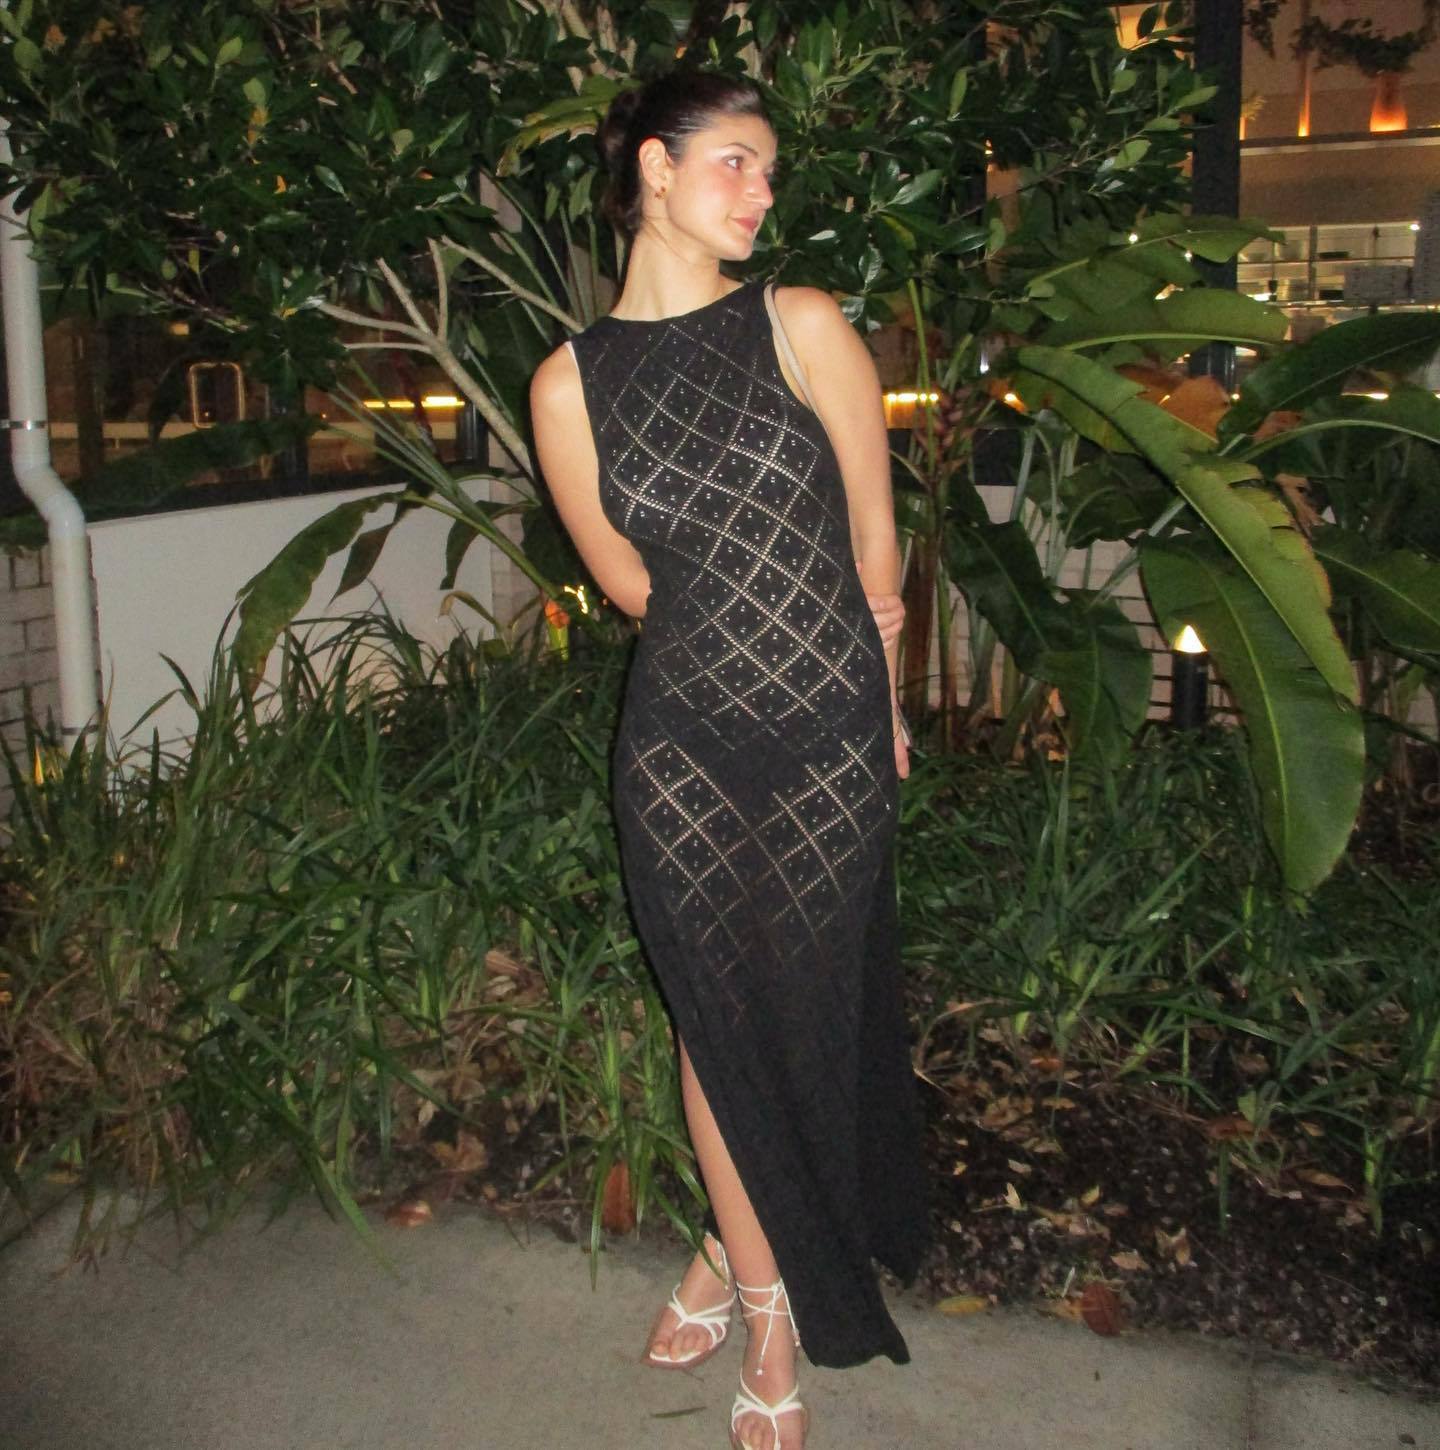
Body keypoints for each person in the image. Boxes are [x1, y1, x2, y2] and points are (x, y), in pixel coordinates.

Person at [529, 68, 930, 1450]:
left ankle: (722, 1240)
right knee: (719, 1015)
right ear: (655, 167)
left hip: (827, 734)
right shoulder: (569, 385)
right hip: (684, 746)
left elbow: (875, 545)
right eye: (736, 162)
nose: (762, 191)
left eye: (768, 169)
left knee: (802, 1011)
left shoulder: (800, 323)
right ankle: (770, 1313)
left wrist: (882, 704)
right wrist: (736, 637)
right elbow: (630, 584)